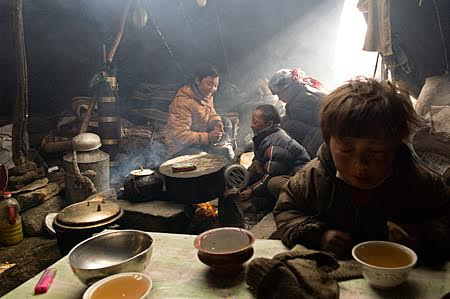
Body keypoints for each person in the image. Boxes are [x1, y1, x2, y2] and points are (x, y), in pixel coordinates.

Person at [273, 78, 450, 264]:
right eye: (346, 151)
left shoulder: (418, 182)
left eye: (376, 152)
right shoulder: (312, 177)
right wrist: (319, 235)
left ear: (396, 145)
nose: (360, 166)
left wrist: (421, 236)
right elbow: (286, 211)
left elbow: (445, 219)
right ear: (327, 141)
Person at [240, 104, 310, 211]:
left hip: (299, 180)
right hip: (279, 170)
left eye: (255, 122)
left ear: (269, 124)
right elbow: (257, 160)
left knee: (272, 185)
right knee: (256, 165)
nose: (251, 126)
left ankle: (282, 204)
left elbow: (271, 176)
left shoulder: (275, 144)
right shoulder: (263, 136)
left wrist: (252, 191)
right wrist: (245, 181)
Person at [165, 64, 234, 159]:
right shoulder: (182, 102)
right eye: (209, 84)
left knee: (226, 123)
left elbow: (211, 112)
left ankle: (215, 147)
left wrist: (217, 124)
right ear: (198, 81)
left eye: (215, 86)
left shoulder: (206, 94)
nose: (213, 89)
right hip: (181, 147)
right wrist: (208, 137)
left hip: (199, 136)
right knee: (203, 158)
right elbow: (180, 135)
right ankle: (212, 150)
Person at [268, 68, 327, 158]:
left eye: (279, 93)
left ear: (288, 88)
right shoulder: (305, 91)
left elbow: (317, 134)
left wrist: (305, 158)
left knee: (286, 125)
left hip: (323, 145)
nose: (279, 98)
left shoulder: (302, 101)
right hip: (324, 142)